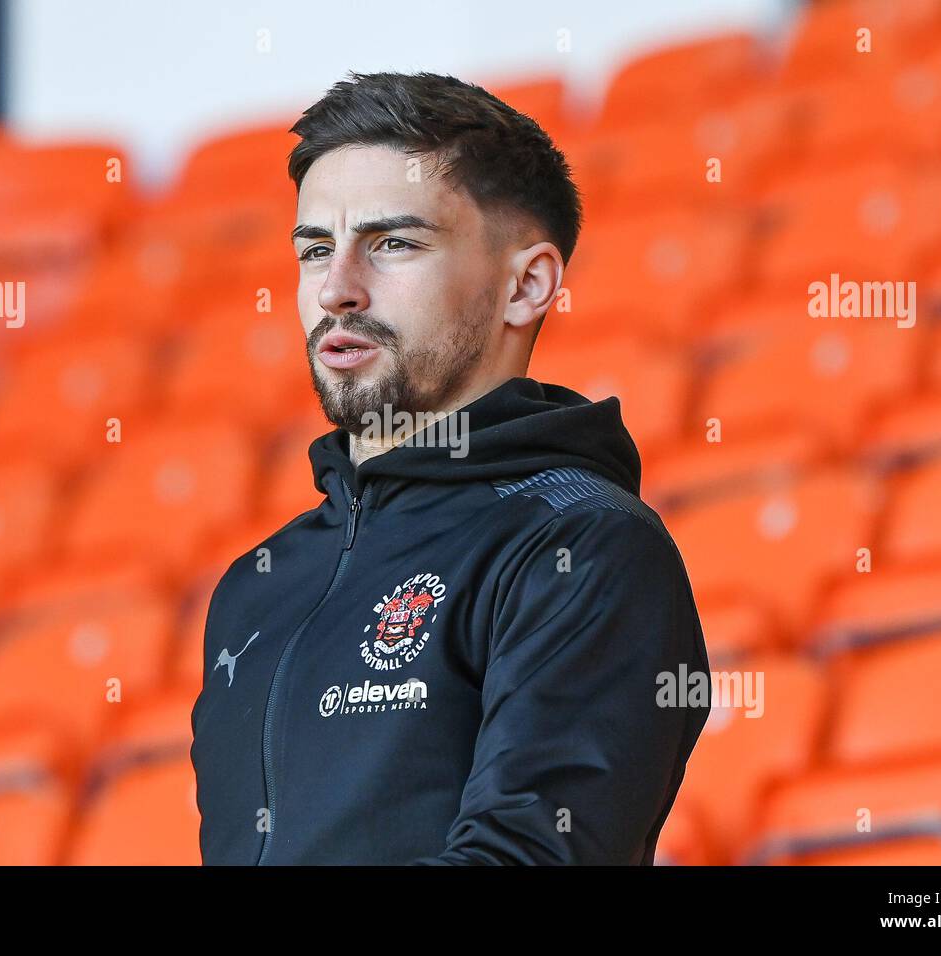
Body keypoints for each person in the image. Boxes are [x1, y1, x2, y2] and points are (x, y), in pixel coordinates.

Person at [190, 70, 711, 865]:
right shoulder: (257, 584)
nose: (337, 289)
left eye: (394, 243)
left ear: (526, 285)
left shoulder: (585, 549)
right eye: (316, 250)